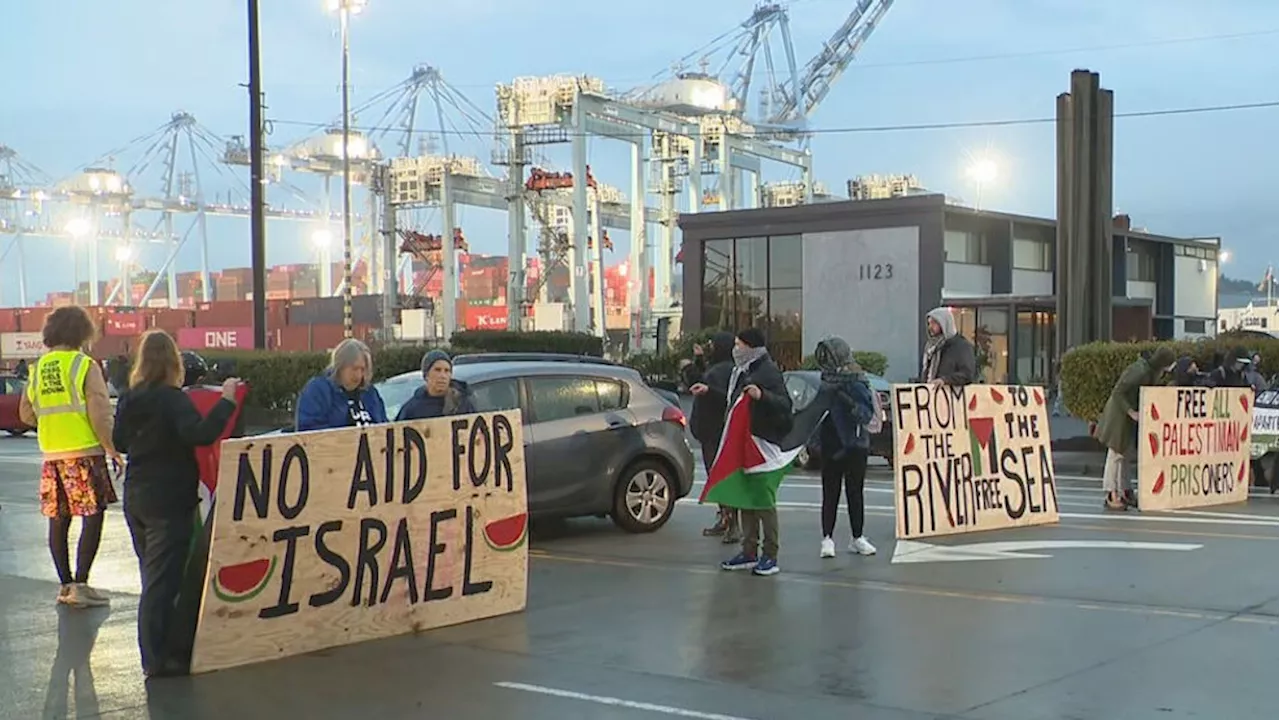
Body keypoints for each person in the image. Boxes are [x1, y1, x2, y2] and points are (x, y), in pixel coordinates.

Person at [112, 330, 240, 678]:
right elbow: (199, 434)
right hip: (169, 498)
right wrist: (226, 401)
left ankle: (160, 650)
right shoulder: (173, 399)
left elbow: (119, 441)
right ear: (173, 362)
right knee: (164, 581)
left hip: (137, 495)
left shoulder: (129, 398)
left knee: (151, 576)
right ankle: (159, 657)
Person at [18, 306, 121, 608]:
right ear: (82, 333)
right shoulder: (83, 365)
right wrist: (111, 447)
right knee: (92, 516)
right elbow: (100, 412)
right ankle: (82, 583)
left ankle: (64, 585)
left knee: (58, 519)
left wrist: (51, 425)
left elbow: (25, 414)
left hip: (52, 456)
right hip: (85, 452)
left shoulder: (38, 369)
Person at [719, 328, 792, 576]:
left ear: (752, 347)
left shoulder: (767, 372)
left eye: (740, 344)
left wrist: (762, 396)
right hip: (745, 442)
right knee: (746, 498)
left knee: (763, 501)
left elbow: (784, 405)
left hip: (763, 444)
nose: (735, 348)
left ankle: (770, 555)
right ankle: (749, 551)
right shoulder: (741, 371)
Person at [812, 337, 877, 558]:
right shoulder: (825, 381)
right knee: (830, 492)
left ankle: (857, 537)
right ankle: (827, 538)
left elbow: (867, 414)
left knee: (855, 492)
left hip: (855, 444)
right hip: (831, 444)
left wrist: (848, 403)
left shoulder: (857, 379)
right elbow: (816, 412)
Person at [1094, 346, 1176, 511]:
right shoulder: (1139, 371)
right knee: (1116, 453)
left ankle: (1124, 490)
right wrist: (1131, 412)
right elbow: (1118, 392)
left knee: (1125, 454)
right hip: (1119, 416)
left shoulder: (1148, 370)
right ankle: (1111, 493)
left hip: (1127, 415)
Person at [686, 332, 739, 543]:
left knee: (721, 478)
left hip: (717, 432)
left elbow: (726, 397)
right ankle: (726, 518)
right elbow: (700, 379)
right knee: (717, 478)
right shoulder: (720, 368)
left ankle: (731, 522)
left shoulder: (726, 371)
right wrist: (698, 361)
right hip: (712, 432)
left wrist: (708, 391)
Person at [295, 338, 388, 431]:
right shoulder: (318, 391)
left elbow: (384, 426)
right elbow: (309, 431)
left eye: (362, 369)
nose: (359, 375)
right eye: (354, 369)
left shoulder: (370, 394)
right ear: (340, 366)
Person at [395, 350, 475, 421]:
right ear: (426, 375)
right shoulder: (412, 409)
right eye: (437, 370)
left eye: (447, 371)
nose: (443, 376)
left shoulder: (462, 404)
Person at [921, 307, 976, 386]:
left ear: (944, 323)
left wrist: (945, 380)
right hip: (930, 395)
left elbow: (967, 374)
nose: (930, 327)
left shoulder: (961, 346)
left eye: (934, 323)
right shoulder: (931, 348)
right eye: (929, 323)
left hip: (951, 396)